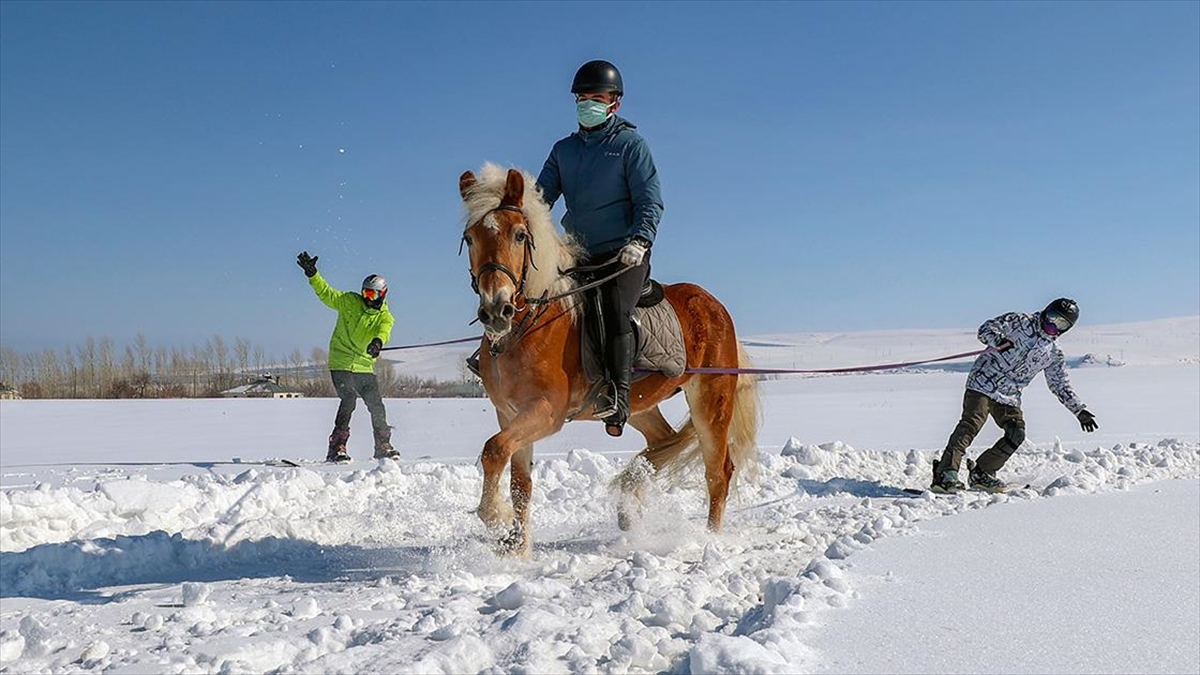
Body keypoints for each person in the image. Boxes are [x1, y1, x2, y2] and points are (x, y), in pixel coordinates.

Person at [536, 59, 664, 437]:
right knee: (535, 292)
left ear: (614, 103)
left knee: (614, 309)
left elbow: (649, 201)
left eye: (597, 98)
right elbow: (540, 199)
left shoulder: (630, 146)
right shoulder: (563, 151)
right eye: (583, 98)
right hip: (577, 253)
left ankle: (618, 395)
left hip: (622, 255)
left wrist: (640, 240)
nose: (588, 104)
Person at [932, 297, 1099, 493]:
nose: (1052, 324)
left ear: (1066, 329)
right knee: (971, 424)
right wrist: (998, 340)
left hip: (1009, 395)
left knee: (1016, 433)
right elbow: (985, 329)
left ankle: (983, 471)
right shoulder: (1020, 321)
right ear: (1046, 311)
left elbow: (1059, 384)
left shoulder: (1053, 354)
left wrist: (1079, 410)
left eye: (1060, 323)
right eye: (1052, 317)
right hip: (983, 381)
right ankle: (945, 473)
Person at [296, 251, 399, 462]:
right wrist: (313, 275)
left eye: (372, 295)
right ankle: (337, 447)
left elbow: (384, 332)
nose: (367, 298)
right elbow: (327, 294)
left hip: (363, 364)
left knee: (376, 404)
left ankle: (383, 445)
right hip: (341, 361)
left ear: (383, 294)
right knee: (349, 398)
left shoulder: (385, 317)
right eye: (365, 293)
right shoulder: (350, 301)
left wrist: (377, 343)